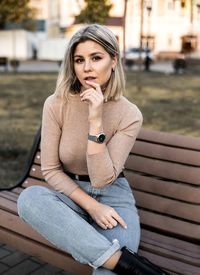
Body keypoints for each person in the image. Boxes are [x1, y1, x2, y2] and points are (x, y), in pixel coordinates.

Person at [17, 24, 169, 275]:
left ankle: (118, 263)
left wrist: (96, 120)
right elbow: (52, 170)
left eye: (95, 58)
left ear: (113, 60)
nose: (86, 67)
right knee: (29, 199)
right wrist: (91, 207)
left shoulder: (129, 114)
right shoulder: (56, 104)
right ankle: (135, 267)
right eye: (79, 60)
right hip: (70, 196)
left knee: (108, 272)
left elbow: (101, 179)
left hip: (113, 196)